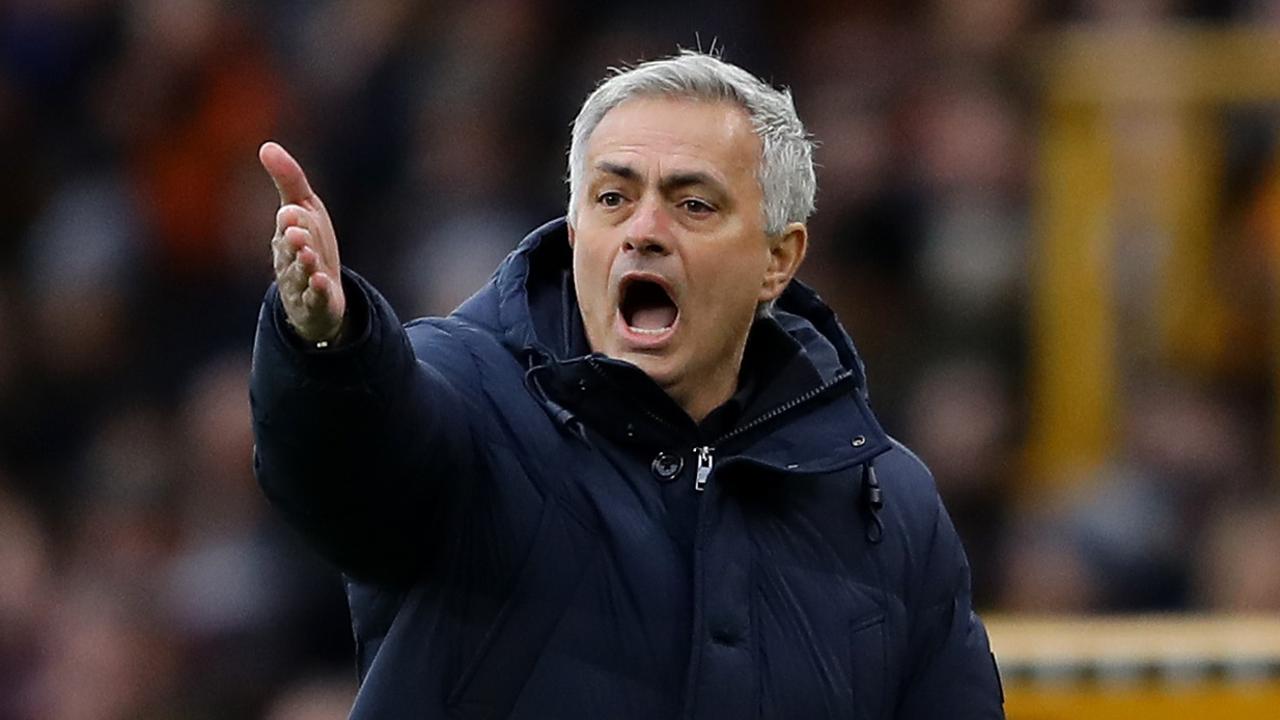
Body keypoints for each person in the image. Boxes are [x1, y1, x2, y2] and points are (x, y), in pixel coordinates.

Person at [250, 51, 1004, 719]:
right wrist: (329, 346)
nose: (643, 229)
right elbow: (344, 478)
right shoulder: (466, 391)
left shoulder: (886, 505)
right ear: (576, 230)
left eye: (693, 204)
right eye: (612, 198)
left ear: (779, 257)